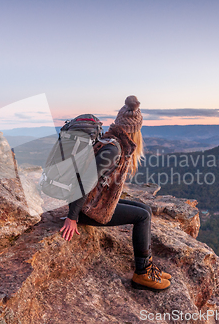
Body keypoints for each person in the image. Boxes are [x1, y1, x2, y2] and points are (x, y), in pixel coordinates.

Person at [60, 95, 171, 292]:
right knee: (142, 216)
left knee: (145, 209)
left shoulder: (111, 140)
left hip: (92, 203)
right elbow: (84, 181)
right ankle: (142, 273)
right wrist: (72, 217)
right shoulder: (114, 149)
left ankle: (148, 266)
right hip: (88, 209)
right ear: (135, 130)